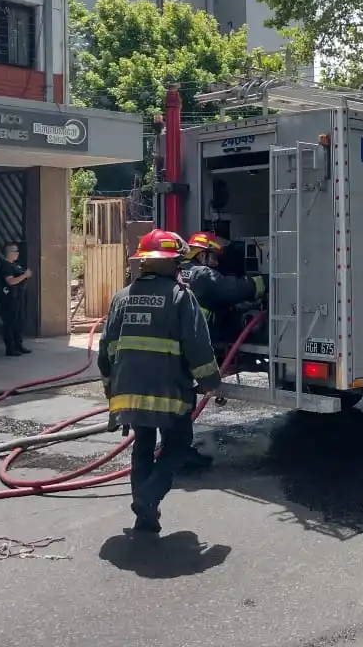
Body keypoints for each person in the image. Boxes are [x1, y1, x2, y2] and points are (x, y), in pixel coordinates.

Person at [97, 229, 220, 534]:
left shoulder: (121, 298)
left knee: (143, 444)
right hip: (170, 392)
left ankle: (144, 514)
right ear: (170, 264)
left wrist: (109, 385)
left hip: (129, 392)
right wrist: (210, 381)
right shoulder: (181, 298)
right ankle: (148, 497)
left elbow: (106, 349)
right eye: (178, 262)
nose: (180, 267)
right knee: (177, 444)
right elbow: (197, 346)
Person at [182, 232, 267, 340]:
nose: (217, 264)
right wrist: (260, 283)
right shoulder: (203, 274)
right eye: (214, 257)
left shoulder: (178, 269)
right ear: (202, 255)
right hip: (197, 338)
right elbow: (232, 289)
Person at [0, 242, 33, 357]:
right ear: (8, 253)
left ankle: (18, 345)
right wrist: (24, 276)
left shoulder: (15, 265)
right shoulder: (6, 266)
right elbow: (11, 281)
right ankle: (10, 348)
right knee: (10, 323)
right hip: (9, 298)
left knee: (19, 322)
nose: (17, 253)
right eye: (15, 251)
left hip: (18, 297)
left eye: (17, 251)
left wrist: (25, 275)